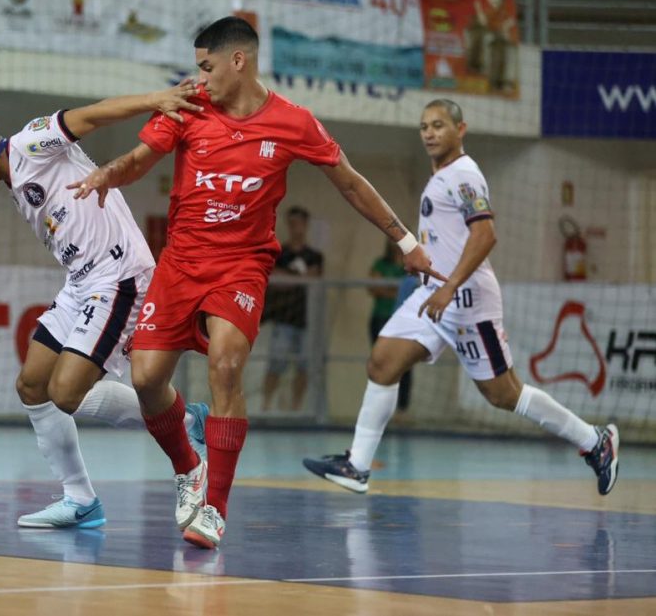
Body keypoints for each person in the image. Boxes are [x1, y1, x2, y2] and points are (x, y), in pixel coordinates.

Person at [68, 16, 442, 549]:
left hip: (242, 264)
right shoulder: (189, 106)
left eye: (207, 66)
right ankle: (188, 467)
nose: (199, 77)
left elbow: (350, 184)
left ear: (238, 61)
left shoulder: (294, 122)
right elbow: (140, 160)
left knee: (225, 364)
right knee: (147, 379)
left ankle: (215, 509)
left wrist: (405, 241)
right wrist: (109, 173)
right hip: (181, 261)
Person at [303, 99, 619, 496]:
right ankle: (357, 466)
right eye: (424, 127)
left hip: (468, 302)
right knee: (383, 361)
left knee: (503, 394)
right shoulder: (442, 176)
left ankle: (594, 440)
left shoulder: (465, 174)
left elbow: (485, 235)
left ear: (461, 129)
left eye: (438, 125)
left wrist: (450, 286)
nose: (429, 133)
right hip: (433, 295)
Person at [0, 82, 210, 529]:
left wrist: (155, 100)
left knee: (65, 394)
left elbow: (93, 114)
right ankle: (80, 500)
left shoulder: (29, 144)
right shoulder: (14, 181)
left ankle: (181, 421)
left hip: (116, 276)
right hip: (80, 284)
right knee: (32, 386)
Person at [261, 206, 323, 413]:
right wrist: (299, 279)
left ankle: (297, 408)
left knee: (303, 366)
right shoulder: (280, 253)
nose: (296, 227)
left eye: (300, 223)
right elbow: (275, 279)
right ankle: (266, 405)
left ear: (306, 225)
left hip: (306, 320)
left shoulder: (314, 255)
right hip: (283, 319)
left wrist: (289, 278)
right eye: (292, 223)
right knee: (276, 364)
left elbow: (313, 278)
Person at [368, 239, 413, 413]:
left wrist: (391, 291)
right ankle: (379, 407)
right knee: (380, 363)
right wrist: (400, 292)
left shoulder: (411, 265)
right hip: (381, 317)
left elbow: (416, 290)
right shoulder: (380, 264)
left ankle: (401, 408)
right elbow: (374, 288)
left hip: (404, 320)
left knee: (404, 364)